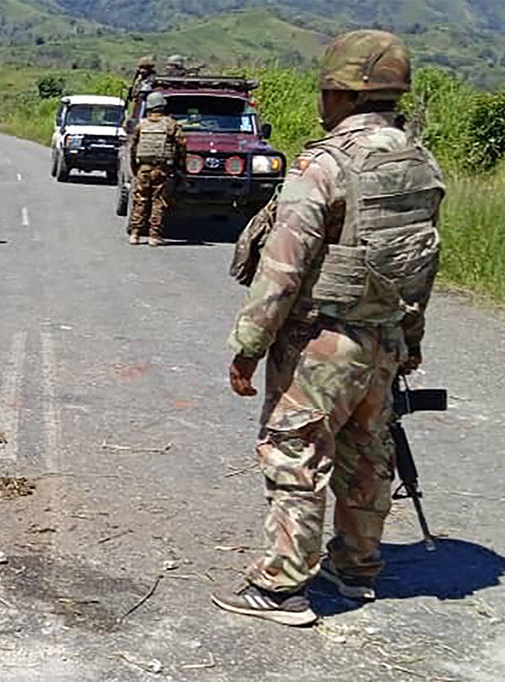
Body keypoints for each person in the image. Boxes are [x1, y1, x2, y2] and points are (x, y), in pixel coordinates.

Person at [213, 30, 445, 627]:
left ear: (339, 94)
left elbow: (283, 268)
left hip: (323, 342)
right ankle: (356, 566)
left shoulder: (326, 165)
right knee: (369, 454)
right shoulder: (420, 162)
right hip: (385, 338)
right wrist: (409, 341)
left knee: (295, 454)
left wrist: (248, 345)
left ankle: (282, 587)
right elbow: (420, 262)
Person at [126, 91, 186, 246]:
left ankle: (135, 234)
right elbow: (181, 145)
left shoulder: (142, 124)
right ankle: (154, 236)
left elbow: (133, 147)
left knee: (140, 200)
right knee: (158, 201)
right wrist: (180, 164)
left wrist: (135, 168)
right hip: (162, 169)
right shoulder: (170, 124)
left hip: (143, 169)